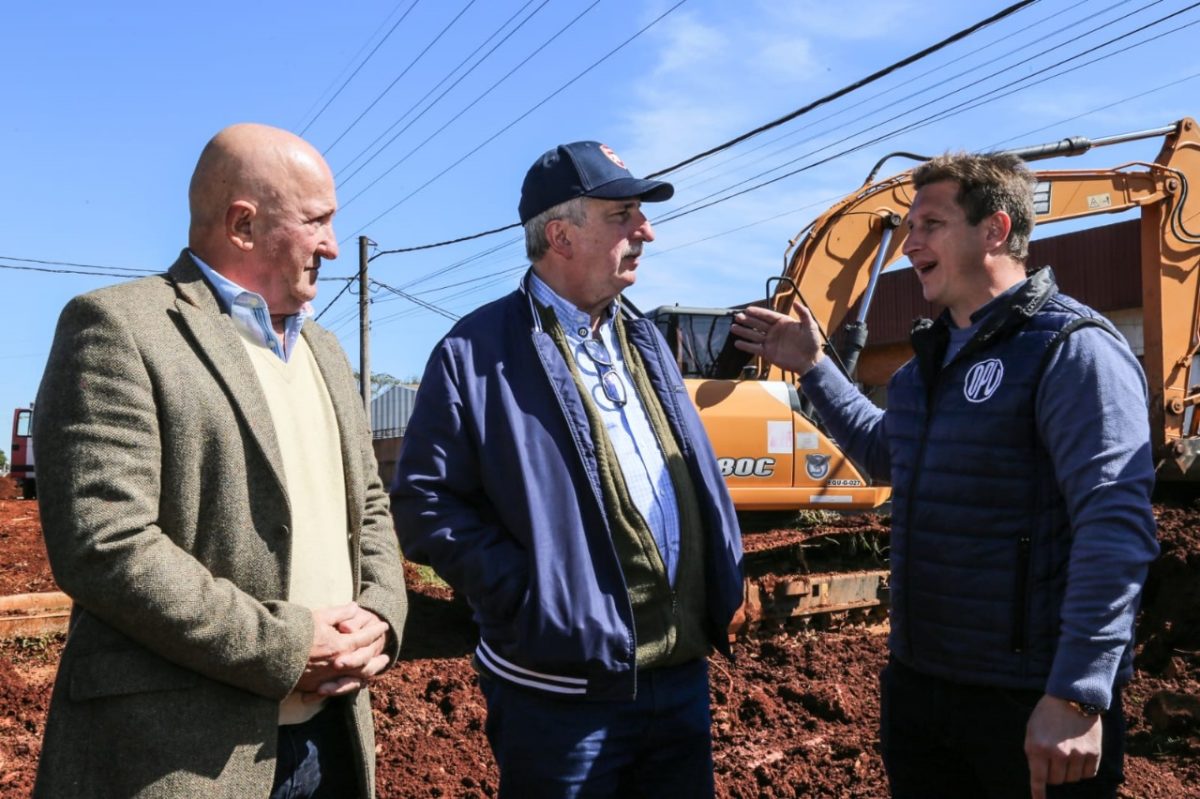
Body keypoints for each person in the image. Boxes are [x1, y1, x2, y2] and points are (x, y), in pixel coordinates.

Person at [731, 152, 1159, 799]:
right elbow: (886, 455)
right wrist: (815, 368)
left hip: (1029, 700)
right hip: (922, 688)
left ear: (994, 230)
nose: (910, 241)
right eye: (909, 226)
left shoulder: (1071, 349)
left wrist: (1076, 692)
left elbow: (1115, 528)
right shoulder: (924, 367)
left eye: (930, 223)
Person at [32, 123, 407, 799]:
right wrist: (284, 646)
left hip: (333, 738)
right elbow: (105, 544)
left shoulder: (325, 350)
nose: (331, 244)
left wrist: (380, 613)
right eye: (317, 221)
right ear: (243, 224)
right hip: (181, 758)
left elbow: (370, 506)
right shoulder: (119, 328)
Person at [391, 141, 744, 798]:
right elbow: (424, 502)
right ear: (560, 234)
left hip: (679, 677)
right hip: (561, 697)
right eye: (623, 215)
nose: (646, 231)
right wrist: (534, 599)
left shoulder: (643, 342)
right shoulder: (475, 353)